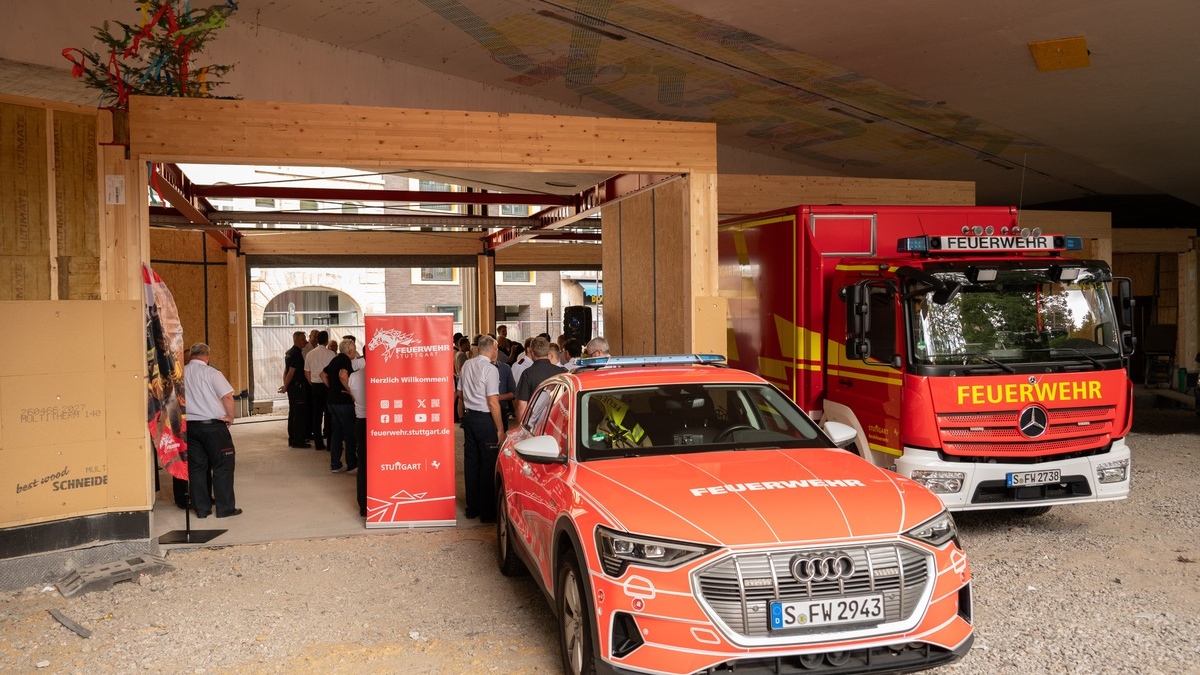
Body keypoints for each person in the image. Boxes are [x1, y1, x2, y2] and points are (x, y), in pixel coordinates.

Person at [184, 343, 241, 518]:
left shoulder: (180, 374)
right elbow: (227, 396)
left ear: (190, 356)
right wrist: (230, 417)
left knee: (197, 468)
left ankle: (201, 509)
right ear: (207, 357)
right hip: (213, 426)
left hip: (190, 426)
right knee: (223, 465)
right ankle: (225, 508)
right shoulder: (212, 373)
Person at [456, 335, 503, 522]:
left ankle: (472, 508)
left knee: (471, 463)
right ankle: (487, 513)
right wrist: (499, 428)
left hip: (469, 417)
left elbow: (459, 393)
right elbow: (493, 402)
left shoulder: (467, 364)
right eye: (496, 349)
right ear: (492, 349)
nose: (496, 352)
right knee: (488, 464)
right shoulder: (490, 369)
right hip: (484, 419)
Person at [323, 338, 358, 474]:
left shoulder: (335, 359)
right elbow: (343, 375)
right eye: (354, 349)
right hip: (343, 403)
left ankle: (335, 464)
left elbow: (323, 374)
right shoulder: (345, 360)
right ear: (350, 351)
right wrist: (351, 392)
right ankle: (352, 465)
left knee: (336, 433)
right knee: (350, 434)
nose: (355, 351)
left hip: (332, 401)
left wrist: (333, 388)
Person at [514, 336, 566, 419]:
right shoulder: (563, 373)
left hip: (535, 423)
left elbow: (522, 404)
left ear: (532, 353)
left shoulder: (528, 374)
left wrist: (522, 427)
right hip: (557, 421)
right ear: (548, 352)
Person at [304, 330, 335, 451]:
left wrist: (312, 382)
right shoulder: (331, 354)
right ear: (327, 340)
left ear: (317, 340)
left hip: (315, 387)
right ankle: (330, 443)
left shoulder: (310, 354)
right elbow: (332, 373)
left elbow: (306, 372)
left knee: (316, 415)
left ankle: (318, 443)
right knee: (329, 415)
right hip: (327, 387)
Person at [279, 331, 310, 448]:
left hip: (293, 387)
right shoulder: (296, 354)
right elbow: (291, 372)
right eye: (302, 339)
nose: (305, 341)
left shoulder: (289, 353)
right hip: (298, 388)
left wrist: (286, 385)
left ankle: (292, 438)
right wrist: (285, 386)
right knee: (299, 415)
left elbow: (285, 371)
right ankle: (298, 440)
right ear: (296, 340)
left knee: (293, 413)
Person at [348, 350, 368, 517]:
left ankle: (364, 505)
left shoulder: (354, 377)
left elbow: (355, 398)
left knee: (363, 464)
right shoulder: (386, 376)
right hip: (382, 423)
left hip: (361, 421)